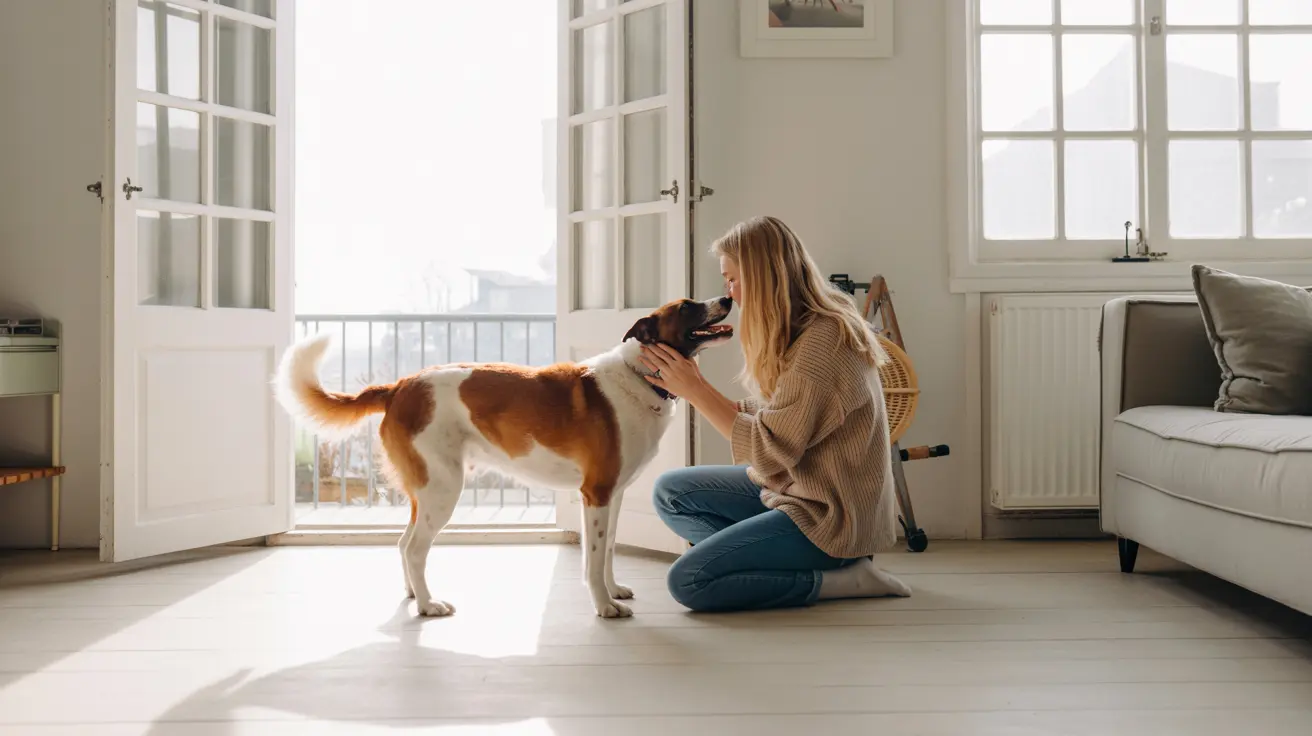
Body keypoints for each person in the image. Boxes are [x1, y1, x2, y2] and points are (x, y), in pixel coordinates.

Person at [638, 215, 912, 613]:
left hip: (830, 517)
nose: (728, 293)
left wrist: (696, 390)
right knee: (671, 492)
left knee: (689, 581)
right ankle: (758, 555)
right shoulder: (810, 325)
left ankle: (839, 577)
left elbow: (769, 454)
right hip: (801, 488)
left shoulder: (824, 343)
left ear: (762, 274)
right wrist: (701, 389)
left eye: (732, 278)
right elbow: (787, 418)